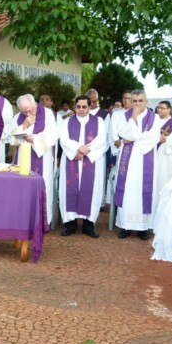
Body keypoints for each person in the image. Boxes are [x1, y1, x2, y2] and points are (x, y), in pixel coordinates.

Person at [113, 89, 160, 239]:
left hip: (146, 158)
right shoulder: (123, 116)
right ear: (131, 102)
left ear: (146, 101)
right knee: (127, 191)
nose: (138, 104)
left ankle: (143, 228)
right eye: (135, 101)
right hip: (128, 159)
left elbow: (152, 138)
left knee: (144, 191)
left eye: (141, 100)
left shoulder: (154, 117)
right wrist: (133, 117)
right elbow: (123, 134)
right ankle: (125, 225)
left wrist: (132, 138)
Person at [58, 96, 107, 238]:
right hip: (71, 160)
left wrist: (85, 151)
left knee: (91, 190)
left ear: (90, 107)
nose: (81, 109)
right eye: (78, 107)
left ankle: (89, 224)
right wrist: (78, 149)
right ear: (74, 107)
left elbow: (101, 139)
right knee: (69, 190)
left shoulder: (99, 121)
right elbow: (64, 139)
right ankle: (70, 223)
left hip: (92, 161)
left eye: (84, 107)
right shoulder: (67, 122)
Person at [10, 93, 58, 222]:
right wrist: (24, 125)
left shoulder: (48, 114)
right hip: (22, 158)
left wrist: (34, 138)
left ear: (35, 104)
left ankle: (42, 221)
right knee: (22, 188)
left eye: (29, 110)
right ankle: (23, 219)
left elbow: (52, 136)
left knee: (43, 186)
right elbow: (12, 139)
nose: (27, 113)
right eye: (24, 111)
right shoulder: (19, 117)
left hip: (42, 157)